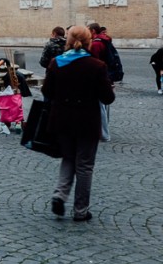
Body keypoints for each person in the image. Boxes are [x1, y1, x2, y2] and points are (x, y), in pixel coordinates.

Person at [42, 25, 115, 222]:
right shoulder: (97, 66)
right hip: (86, 121)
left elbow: (47, 92)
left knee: (68, 158)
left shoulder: (56, 63)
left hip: (62, 120)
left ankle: (60, 194)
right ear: (88, 41)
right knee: (84, 165)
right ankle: (80, 210)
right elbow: (108, 98)